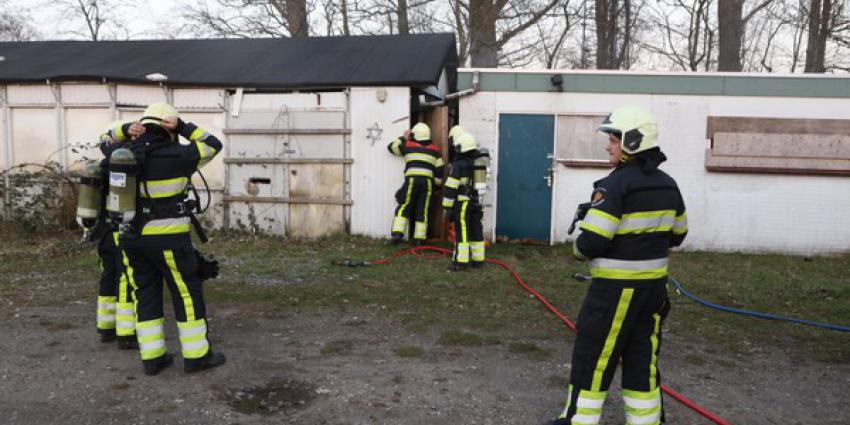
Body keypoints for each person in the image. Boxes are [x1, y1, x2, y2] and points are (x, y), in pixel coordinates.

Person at [549, 106, 688, 425]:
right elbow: (679, 234)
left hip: (614, 293)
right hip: (653, 292)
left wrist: (578, 248)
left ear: (633, 142)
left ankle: (578, 420)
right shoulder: (669, 185)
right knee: (642, 359)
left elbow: (591, 242)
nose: (608, 145)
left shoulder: (615, 185)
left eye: (614, 139)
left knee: (594, 355)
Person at [108, 102, 225, 375]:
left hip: (132, 239)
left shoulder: (120, 154)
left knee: (145, 294)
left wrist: (124, 130)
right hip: (169, 238)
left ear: (142, 126)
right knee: (185, 293)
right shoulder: (181, 155)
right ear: (168, 128)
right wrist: (184, 127)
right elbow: (213, 144)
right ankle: (197, 357)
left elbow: (105, 140)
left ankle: (153, 358)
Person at [94, 120, 143, 349]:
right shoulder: (128, 164)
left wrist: (122, 130)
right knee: (125, 279)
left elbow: (104, 137)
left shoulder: (104, 165)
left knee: (107, 275)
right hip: (121, 230)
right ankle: (126, 333)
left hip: (103, 230)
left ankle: (106, 327)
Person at [387, 122, 444, 244]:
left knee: (404, 205)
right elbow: (439, 171)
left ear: (415, 135)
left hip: (412, 180)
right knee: (422, 210)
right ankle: (419, 239)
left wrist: (404, 137)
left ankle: (397, 234)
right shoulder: (435, 150)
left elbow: (391, 147)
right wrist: (437, 186)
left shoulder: (409, 146)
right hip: (428, 183)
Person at [442, 128, 485, 271]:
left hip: (463, 202)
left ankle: (461, 261)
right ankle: (478, 259)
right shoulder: (479, 162)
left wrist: (447, 207)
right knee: (476, 228)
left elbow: (451, 187)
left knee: (463, 230)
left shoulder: (458, 165)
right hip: (477, 202)